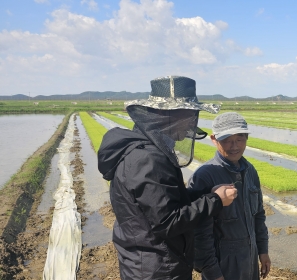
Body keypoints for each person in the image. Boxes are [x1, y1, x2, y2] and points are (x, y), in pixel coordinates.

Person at [97, 75, 238, 280]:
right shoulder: (148, 159)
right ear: (167, 116)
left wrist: (203, 193)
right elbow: (167, 222)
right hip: (158, 269)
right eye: (188, 116)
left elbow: (162, 203)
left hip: (149, 261)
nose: (191, 123)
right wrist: (215, 200)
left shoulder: (146, 149)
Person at [187, 112, 270, 280]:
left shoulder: (250, 171)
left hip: (250, 260)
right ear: (214, 139)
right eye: (227, 140)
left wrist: (263, 250)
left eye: (239, 139)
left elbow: (258, 216)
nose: (234, 146)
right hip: (223, 265)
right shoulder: (204, 176)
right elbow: (197, 232)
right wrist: (212, 272)